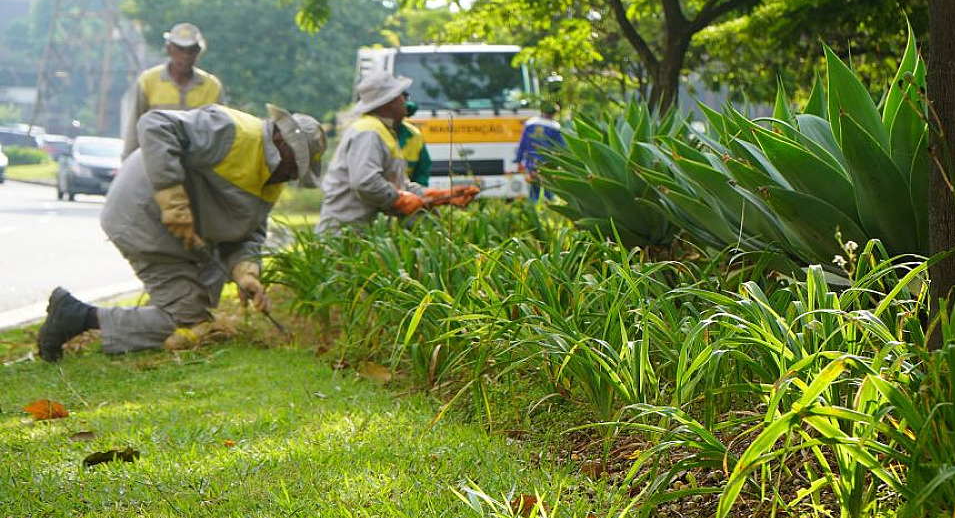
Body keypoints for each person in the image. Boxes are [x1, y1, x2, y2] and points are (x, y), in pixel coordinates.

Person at [36, 103, 327, 361]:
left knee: (198, 315)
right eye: (295, 165)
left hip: (183, 236)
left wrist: (245, 272)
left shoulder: (273, 180)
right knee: (188, 322)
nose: (293, 176)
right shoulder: (231, 131)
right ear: (281, 141)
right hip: (142, 213)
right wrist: (173, 201)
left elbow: (247, 234)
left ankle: (139, 314)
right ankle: (76, 316)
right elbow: (155, 124)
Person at [316, 72, 477, 233]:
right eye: (401, 96)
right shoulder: (369, 132)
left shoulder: (383, 131)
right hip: (343, 234)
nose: (405, 101)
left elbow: (399, 184)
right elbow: (365, 182)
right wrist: (400, 199)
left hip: (360, 234)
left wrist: (439, 196)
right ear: (390, 102)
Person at [120, 22, 225, 161]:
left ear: (198, 52)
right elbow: (134, 127)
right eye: (180, 49)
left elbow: (221, 133)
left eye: (191, 50)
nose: (186, 56)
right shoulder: (148, 81)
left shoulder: (212, 86)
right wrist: (127, 160)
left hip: (197, 164)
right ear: (169, 49)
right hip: (157, 162)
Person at [514, 101, 565, 202]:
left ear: (542, 111)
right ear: (553, 114)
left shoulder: (530, 124)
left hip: (531, 164)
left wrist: (518, 160)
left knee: (534, 192)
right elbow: (563, 147)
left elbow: (522, 144)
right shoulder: (554, 127)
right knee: (548, 193)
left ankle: (535, 209)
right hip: (548, 166)